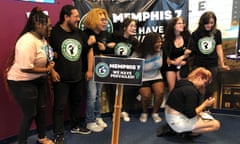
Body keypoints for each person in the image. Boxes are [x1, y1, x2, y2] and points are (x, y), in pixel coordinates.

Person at [3, 7, 55, 144]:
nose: (50, 28)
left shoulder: (42, 38)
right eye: (48, 26)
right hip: (22, 82)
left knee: (41, 109)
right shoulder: (27, 41)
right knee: (30, 114)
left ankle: (42, 138)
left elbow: (45, 53)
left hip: (38, 80)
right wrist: (47, 69)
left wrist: (51, 57)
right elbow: (26, 68)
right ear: (38, 25)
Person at [49, 5, 90, 144]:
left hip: (77, 76)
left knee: (76, 103)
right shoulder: (54, 32)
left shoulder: (78, 32)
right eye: (76, 16)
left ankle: (75, 125)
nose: (78, 19)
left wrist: (91, 44)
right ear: (66, 17)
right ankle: (58, 134)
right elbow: (46, 53)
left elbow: (87, 48)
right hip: (61, 78)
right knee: (59, 107)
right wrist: (52, 70)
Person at [164, 67, 220, 136]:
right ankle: (186, 132)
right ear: (200, 77)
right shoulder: (191, 91)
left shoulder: (183, 82)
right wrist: (205, 104)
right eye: (205, 83)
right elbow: (190, 114)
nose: (204, 86)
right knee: (216, 125)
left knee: (202, 115)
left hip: (170, 117)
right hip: (177, 122)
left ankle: (183, 130)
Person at [82, 8, 112, 132]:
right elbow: (82, 52)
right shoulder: (85, 34)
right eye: (102, 20)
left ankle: (97, 116)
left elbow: (105, 51)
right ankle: (89, 121)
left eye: (105, 20)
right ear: (94, 20)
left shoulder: (103, 34)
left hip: (101, 70)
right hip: (90, 70)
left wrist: (105, 48)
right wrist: (89, 70)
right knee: (92, 96)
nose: (105, 22)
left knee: (98, 95)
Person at [191, 11, 230, 99]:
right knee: (199, 88)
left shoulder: (217, 33)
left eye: (212, 23)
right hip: (199, 65)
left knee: (210, 88)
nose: (209, 25)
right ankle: (198, 108)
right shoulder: (195, 33)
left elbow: (219, 48)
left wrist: (222, 64)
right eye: (207, 23)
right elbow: (192, 50)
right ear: (202, 22)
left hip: (212, 65)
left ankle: (206, 109)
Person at [109, 17, 140, 122]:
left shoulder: (134, 41)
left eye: (135, 26)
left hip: (127, 69)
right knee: (115, 89)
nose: (133, 28)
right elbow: (107, 46)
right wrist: (112, 46)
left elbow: (137, 55)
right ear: (125, 27)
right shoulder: (115, 37)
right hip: (114, 68)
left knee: (130, 88)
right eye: (131, 26)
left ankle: (125, 111)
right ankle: (115, 112)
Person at [132, 32, 164, 123]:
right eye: (158, 42)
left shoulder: (161, 51)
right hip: (143, 78)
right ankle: (145, 112)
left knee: (160, 93)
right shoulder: (138, 52)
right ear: (150, 43)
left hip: (156, 75)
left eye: (161, 41)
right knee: (146, 96)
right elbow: (131, 66)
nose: (160, 44)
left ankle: (155, 113)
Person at [162, 16, 193, 93]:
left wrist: (181, 58)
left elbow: (190, 52)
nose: (182, 25)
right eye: (179, 23)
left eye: (182, 23)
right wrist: (175, 62)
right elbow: (166, 59)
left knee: (182, 88)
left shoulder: (187, 38)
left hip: (183, 65)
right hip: (171, 65)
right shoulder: (168, 40)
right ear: (173, 25)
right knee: (172, 89)